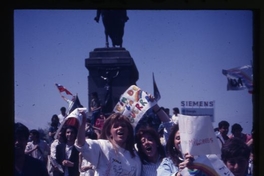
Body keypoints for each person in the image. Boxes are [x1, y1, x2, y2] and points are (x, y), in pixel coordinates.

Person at [75, 112, 142, 176]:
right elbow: (82, 145)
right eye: (115, 126)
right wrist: (82, 123)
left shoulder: (135, 156)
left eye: (123, 126)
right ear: (110, 132)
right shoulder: (102, 146)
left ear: (128, 132)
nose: (120, 128)